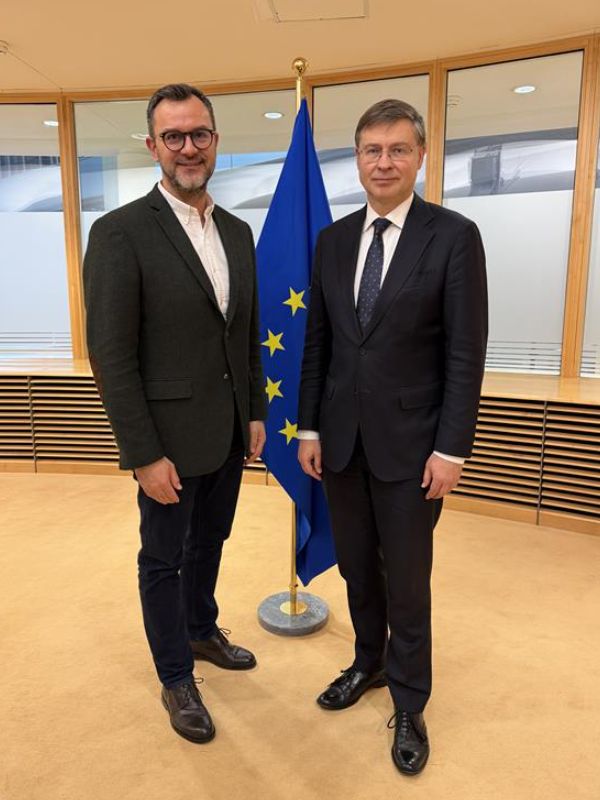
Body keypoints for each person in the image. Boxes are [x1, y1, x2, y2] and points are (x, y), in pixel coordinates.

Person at [298, 99, 487, 775]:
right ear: (357, 159)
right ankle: (368, 663)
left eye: (397, 149)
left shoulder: (454, 236)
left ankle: (410, 701)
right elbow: (318, 344)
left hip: (414, 449)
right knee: (355, 568)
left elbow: (466, 352)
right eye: (372, 149)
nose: (384, 161)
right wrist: (312, 426)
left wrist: (452, 447)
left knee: (407, 581)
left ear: (420, 156)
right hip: (342, 444)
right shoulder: (334, 241)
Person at [83, 83, 266, 744]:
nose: (189, 148)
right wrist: (141, 453)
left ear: (216, 140)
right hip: (166, 441)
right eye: (174, 136)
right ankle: (175, 675)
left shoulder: (238, 232)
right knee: (163, 558)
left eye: (200, 134)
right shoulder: (120, 233)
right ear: (154, 145)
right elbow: (111, 354)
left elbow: (244, 332)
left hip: (226, 431)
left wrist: (255, 409)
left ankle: (200, 628)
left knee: (210, 541)